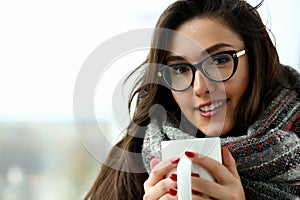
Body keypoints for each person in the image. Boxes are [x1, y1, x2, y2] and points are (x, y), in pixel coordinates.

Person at [84, 0, 300, 199]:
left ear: (256, 58)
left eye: (219, 60)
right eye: (179, 68)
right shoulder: (130, 166)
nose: (200, 87)